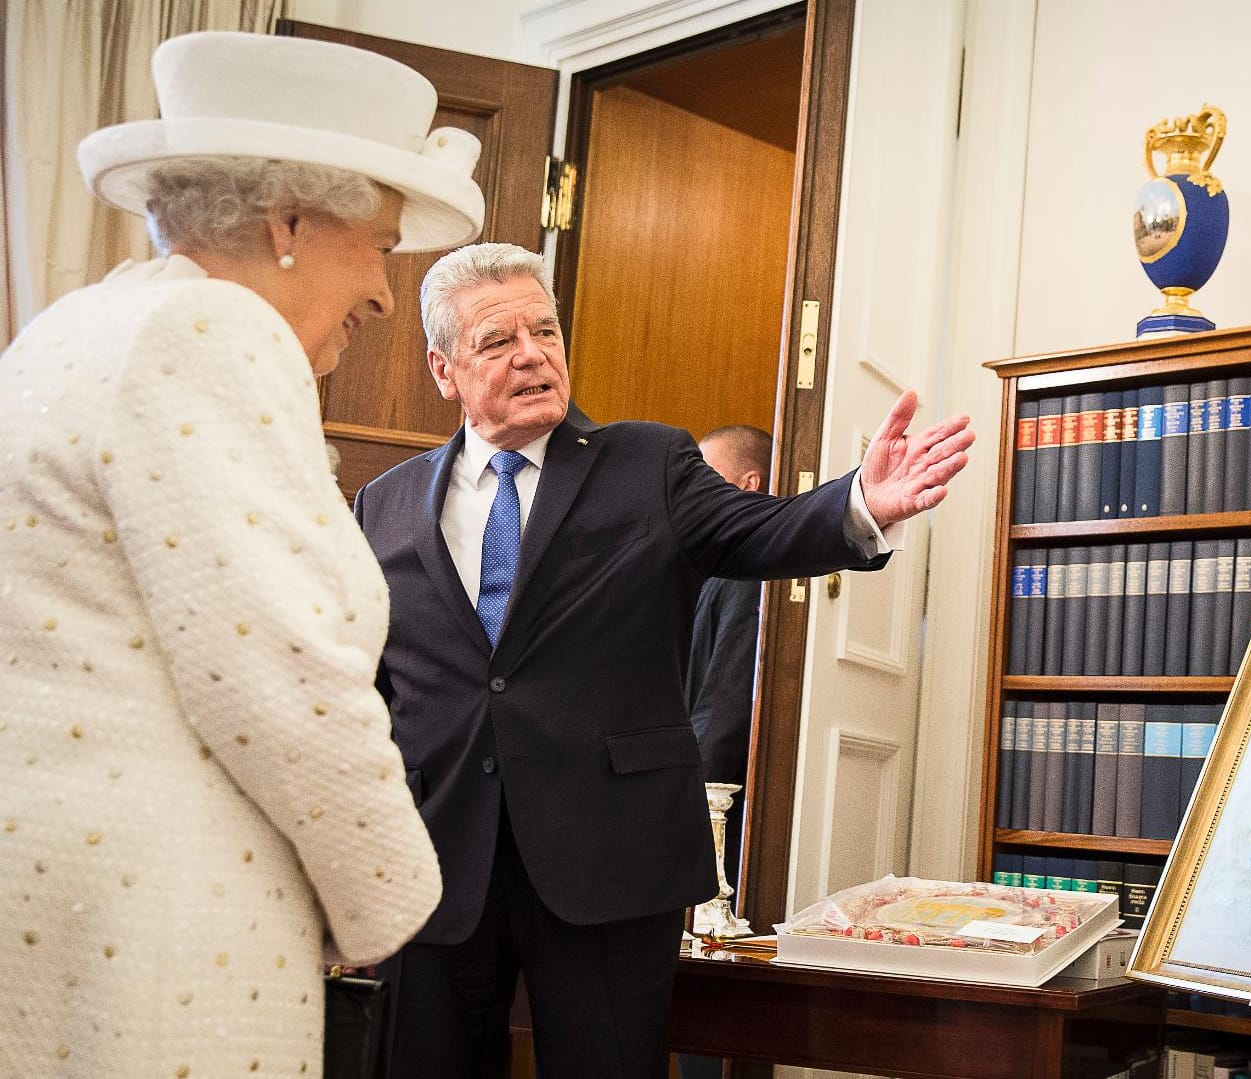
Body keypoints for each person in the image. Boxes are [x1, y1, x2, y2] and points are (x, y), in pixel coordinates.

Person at [353, 241, 973, 1079]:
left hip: (607, 858)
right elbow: (369, 685)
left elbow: (765, 530)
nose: (533, 353)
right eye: (498, 341)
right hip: (435, 861)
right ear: (444, 369)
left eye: (546, 330)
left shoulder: (649, 465)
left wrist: (860, 501)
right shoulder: (383, 504)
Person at [0, 31, 484, 1075]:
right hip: (163, 919)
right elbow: (278, 671)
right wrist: (389, 899)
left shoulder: (70, 326)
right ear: (291, 222)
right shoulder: (213, 332)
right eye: (384, 247)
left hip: (55, 898)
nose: (388, 295)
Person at [687, 424, 775, 883]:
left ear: (748, 484)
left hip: (717, 795)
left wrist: (688, 793)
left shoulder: (748, 563)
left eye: (706, 473)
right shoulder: (715, 559)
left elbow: (727, 696)